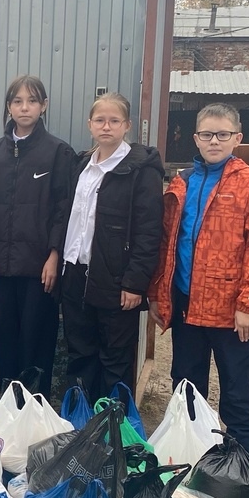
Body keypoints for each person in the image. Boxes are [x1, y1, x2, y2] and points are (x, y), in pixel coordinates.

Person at [148, 102, 249, 459]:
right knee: (186, 384)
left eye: (222, 134)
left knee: (238, 386)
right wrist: (160, 294)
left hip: (230, 310)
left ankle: (243, 461)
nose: (214, 141)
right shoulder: (183, 182)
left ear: (237, 137)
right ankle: (191, 454)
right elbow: (166, 244)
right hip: (187, 303)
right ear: (196, 138)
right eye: (207, 134)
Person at [0, 74, 77, 398]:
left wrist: (54, 254)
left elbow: (64, 209)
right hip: (3, 267)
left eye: (32, 101)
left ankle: (36, 405)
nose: (24, 107)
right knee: (6, 336)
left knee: (37, 338)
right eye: (17, 101)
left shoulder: (58, 152)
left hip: (39, 268)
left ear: (43, 106)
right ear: (8, 107)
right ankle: (9, 405)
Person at [60, 93, 164, 402]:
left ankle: (112, 426)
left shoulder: (141, 169)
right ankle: (81, 422)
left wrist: (135, 282)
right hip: (76, 273)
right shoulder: (82, 166)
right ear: (90, 125)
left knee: (115, 358)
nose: (107, 127)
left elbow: (149, 230)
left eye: (114, 121)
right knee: (80, 352)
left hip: (116, 279)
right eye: (100, 120)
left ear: (127, 125)